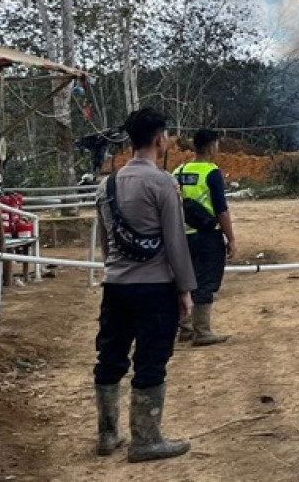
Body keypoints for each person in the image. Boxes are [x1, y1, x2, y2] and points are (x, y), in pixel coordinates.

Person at [94, 107, 195, 463]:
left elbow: (107, 243)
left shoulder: (106, 184)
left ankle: (107, 435)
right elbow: (175, 241)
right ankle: (146, 439)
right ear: (159, 139)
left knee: (110, 355)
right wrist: (185, 290)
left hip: (116, 285)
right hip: (154, 288)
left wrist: (116, 271)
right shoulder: (163, 182)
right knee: (151, 358)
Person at [172, 129, 236, 346]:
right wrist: (231, 238)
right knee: (206, 281)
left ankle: (185, 327)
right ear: (211, 147)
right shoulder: (211, 172)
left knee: (183, 281)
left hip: (182, 236)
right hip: (207, 236)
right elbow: (221, 210)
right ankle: (202, 331)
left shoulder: (178, 170)